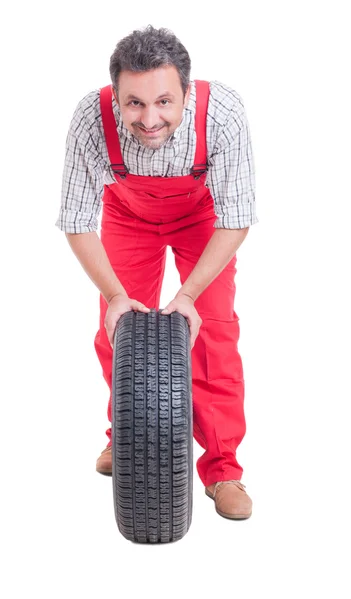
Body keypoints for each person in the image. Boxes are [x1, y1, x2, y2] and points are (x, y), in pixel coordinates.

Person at [55, 25, 258, 520]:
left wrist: (187, 295)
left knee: (213, 337)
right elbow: (77, 221)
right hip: (128, 215)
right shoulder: (89, 119)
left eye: (165, 102)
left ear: (187, 94)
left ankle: (223, 469)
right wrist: (116, 296)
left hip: (203, 221)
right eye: (134, 104)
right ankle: (123, 439)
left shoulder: (224, 115)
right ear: (117, 95)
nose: (149, 119)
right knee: (117, 334)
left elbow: (236, 218)